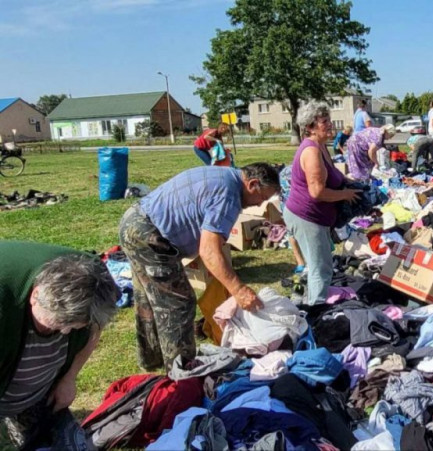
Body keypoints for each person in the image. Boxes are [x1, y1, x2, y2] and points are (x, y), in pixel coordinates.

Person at [119, 163, 280, 371]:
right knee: (178, 304)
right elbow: (209, 250)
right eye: (262, 198)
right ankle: (181, 372)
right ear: (253, 184)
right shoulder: (229, 195)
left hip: (134, 222)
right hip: (149, 235)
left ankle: (152, 360)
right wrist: (238, 290)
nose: (260, 204)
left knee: (149, 299)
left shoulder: (225, 176)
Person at [0, 241, 118, 450]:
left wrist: (69, 377)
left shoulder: (96, 280)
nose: (64, 332)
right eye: (57, 324)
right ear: (35, 296)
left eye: (73, 327)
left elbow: (95, 327)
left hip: (35, 394)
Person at [285, 101, 361, 305]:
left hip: (310, 217)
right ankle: (315, 310)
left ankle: (298, 298)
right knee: (321, 268)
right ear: (310, 126)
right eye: (324, 121)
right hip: (307, 217)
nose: (329, 124)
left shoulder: (321, 146)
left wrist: (347, 181)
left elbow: (333, 173)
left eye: (329, 120)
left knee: (309, 264)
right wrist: (345, 195)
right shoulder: (311, 151)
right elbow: (317, 192)